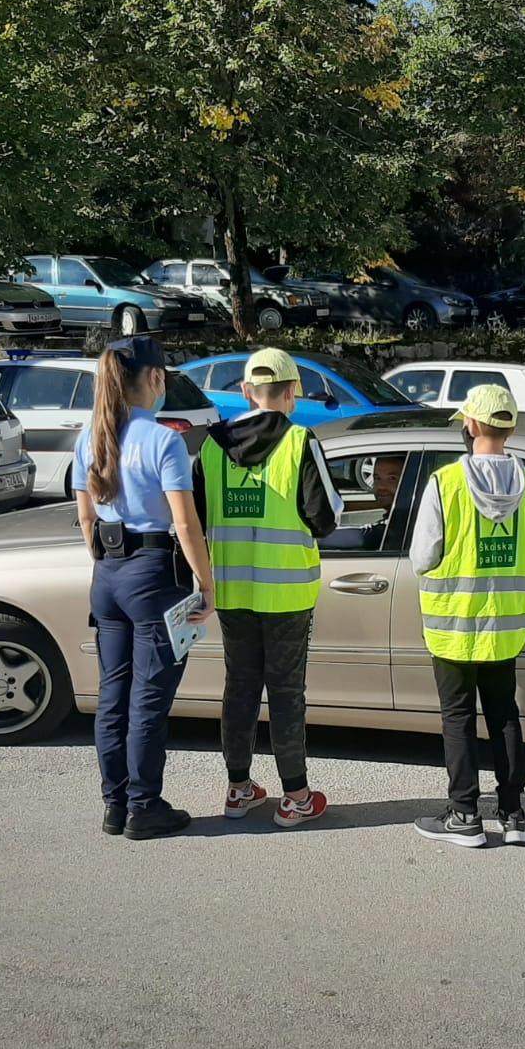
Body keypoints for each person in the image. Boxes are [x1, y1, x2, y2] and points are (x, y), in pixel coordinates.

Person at [193, 347, 343, 827]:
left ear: (245, 392)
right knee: (285, 692)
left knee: (239, 687)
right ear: (292, 393)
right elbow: (325, 519)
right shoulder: (300, 441)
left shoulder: (212, 447)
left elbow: (195, 517)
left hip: (232, 590)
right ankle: (295, 796)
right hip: (287, 593)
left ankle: (239, 789)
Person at [75, 334, 215, 841]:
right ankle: (144, 806)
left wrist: (108, 564)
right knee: (148, 701)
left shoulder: (88, 437)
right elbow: (185, 522)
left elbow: (86, 518)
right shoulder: (163, 440)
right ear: (154, 379)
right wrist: (206, 582)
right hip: (154, 575)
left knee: (113, 695)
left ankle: (115, 805)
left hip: (107, 575)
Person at [410, 383, 525, 848]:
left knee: (458, 717)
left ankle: (464, 815)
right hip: (506, 627)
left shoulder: (444, 483)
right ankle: (513, 815)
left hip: (451, 626)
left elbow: (423, 557)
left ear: (470, 425)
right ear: (510, 427)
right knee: (504, 714)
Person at [320, 453, 404, 551]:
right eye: (377, 478)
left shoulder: (403, 522)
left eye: (392, 478)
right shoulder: (398, 516)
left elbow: (365, 537)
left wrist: (314, 536)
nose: (381, 486)